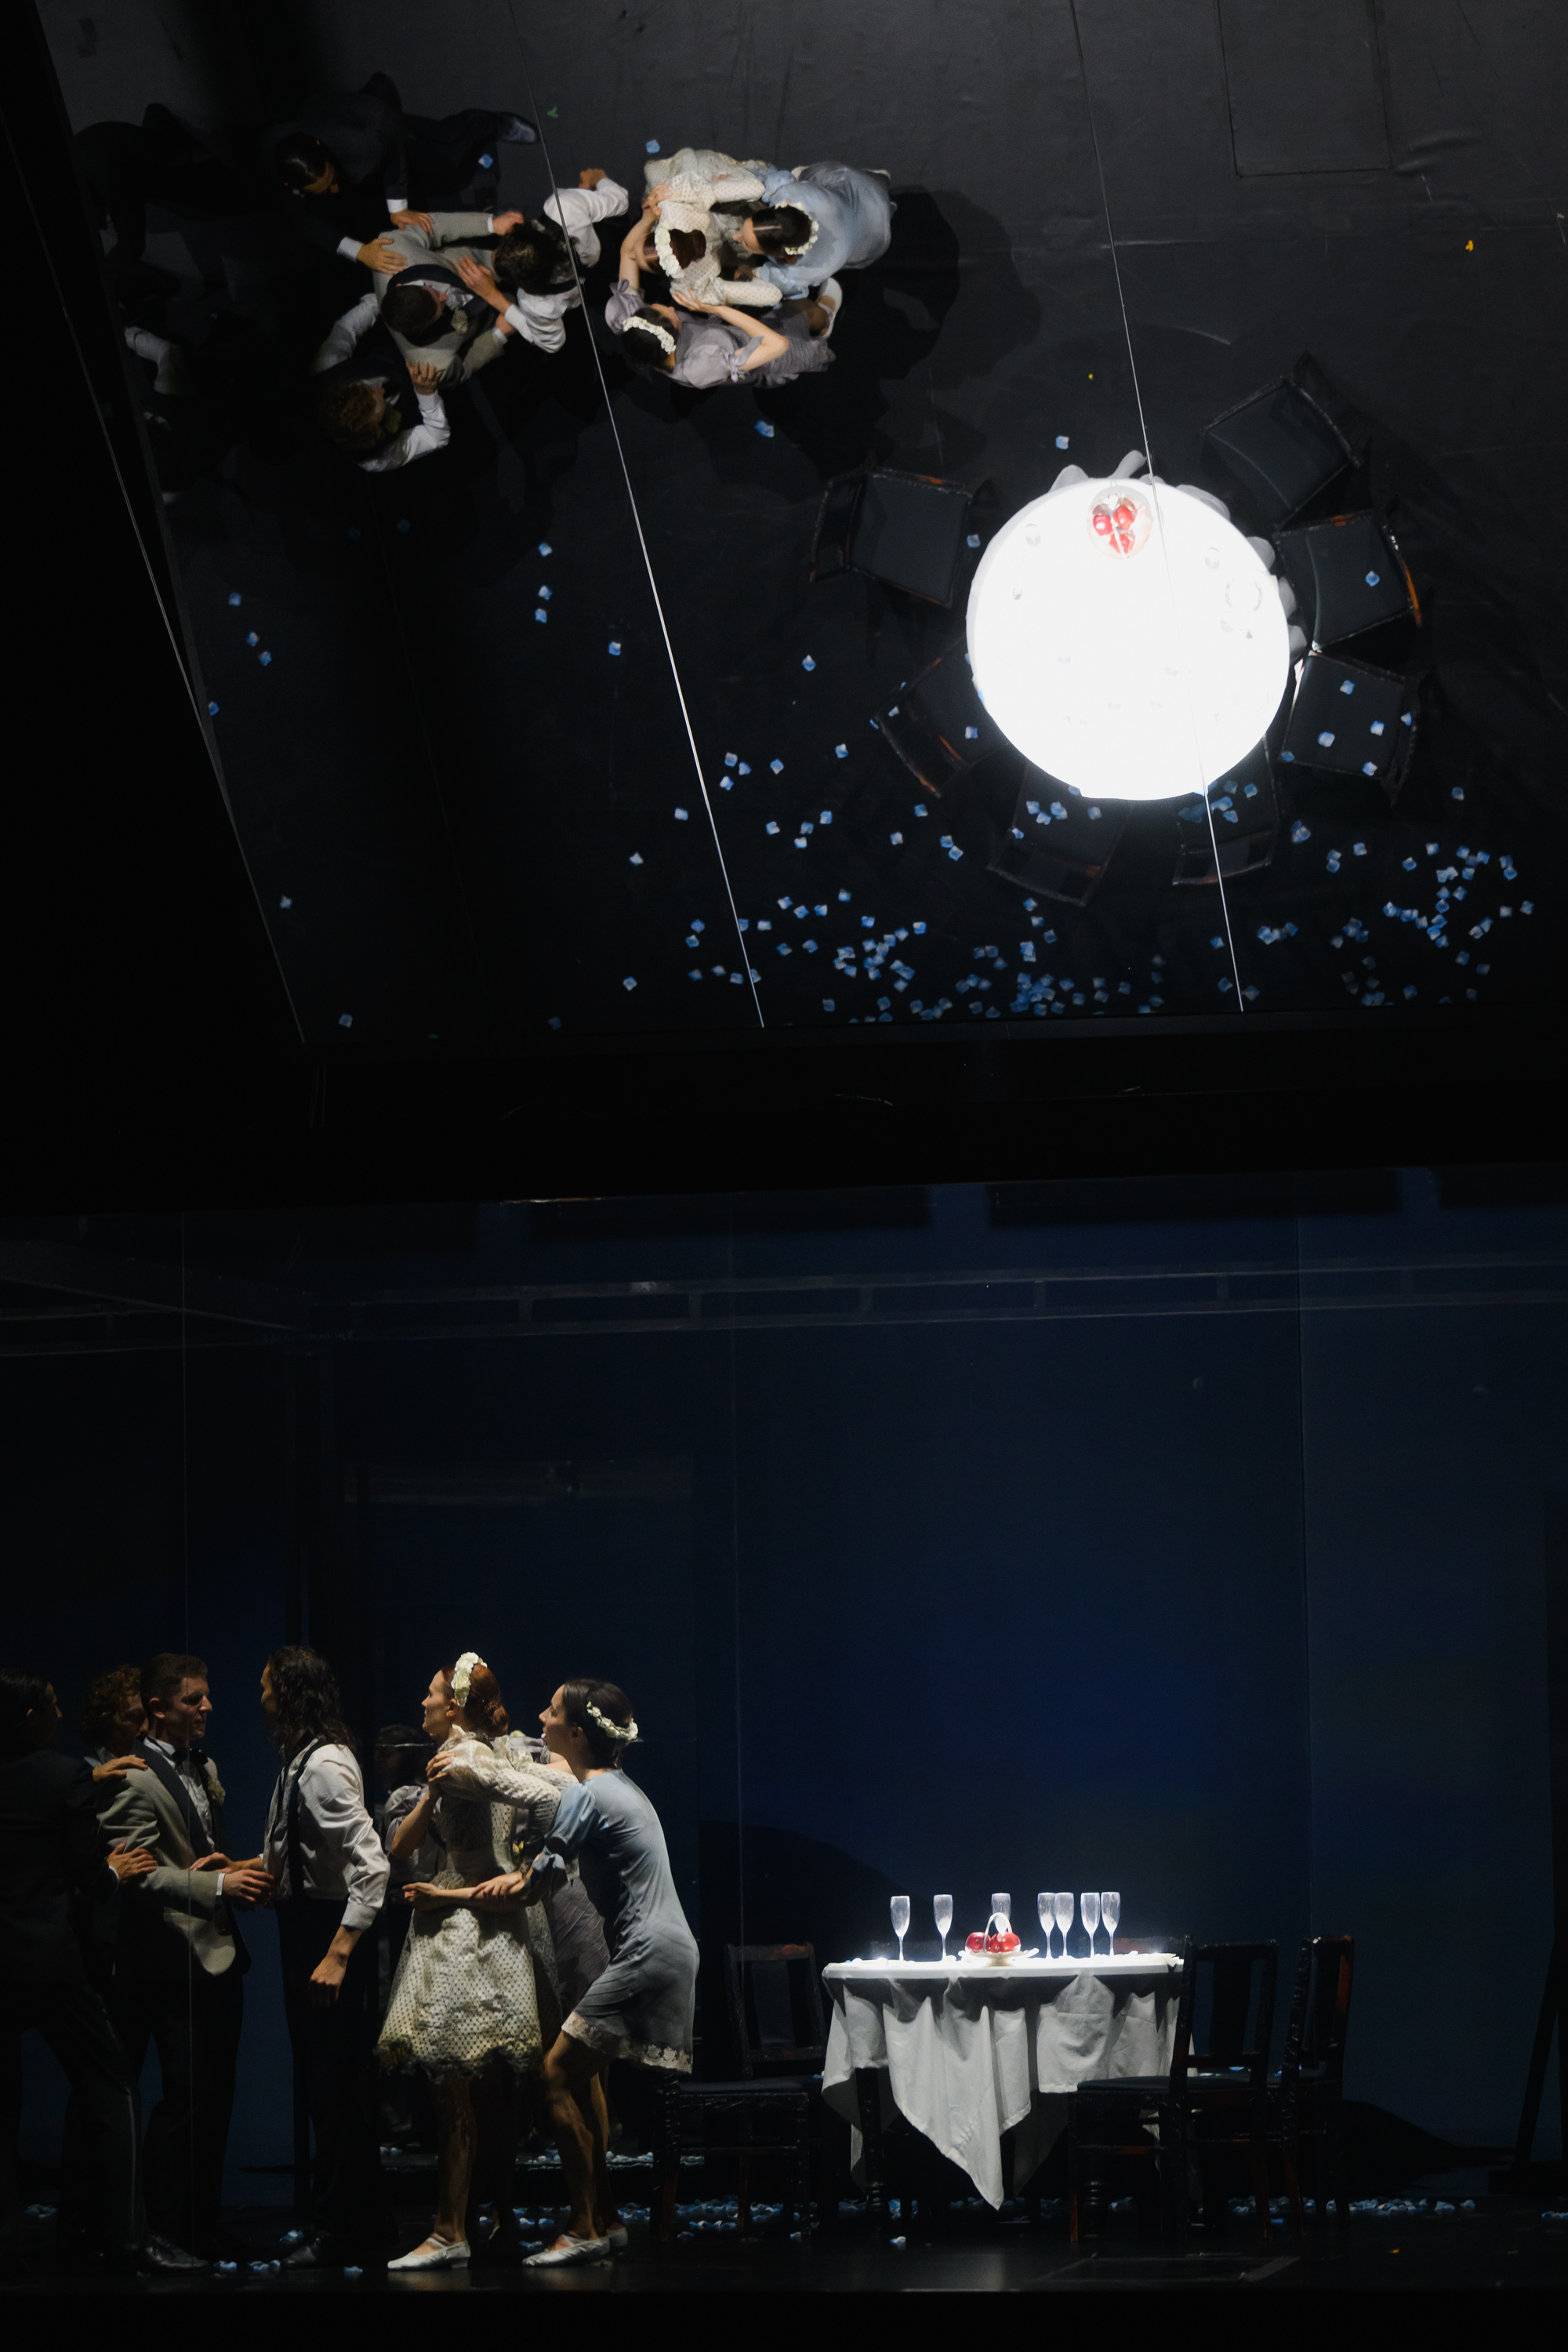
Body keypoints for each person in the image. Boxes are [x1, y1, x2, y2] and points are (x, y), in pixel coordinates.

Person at [473, 1679, 698, 2268]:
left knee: (553, 2073)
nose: (540, 1717)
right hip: (668, 1948)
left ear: (576, 1732)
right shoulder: (623, 1788)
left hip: (649, 1952)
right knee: (575, 2075)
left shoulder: (586, 1794)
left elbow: (537, 1882)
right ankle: (606, 2219)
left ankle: (583, 2227)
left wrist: (458, 1895)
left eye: (551, 1712)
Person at [0, 1668, 201, 2275]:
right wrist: (114, 1868)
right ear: (30, 1717)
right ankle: (128, 2237)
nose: (59, 1716)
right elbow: (91, 1877)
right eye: (50, 1706)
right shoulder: (63, 1775)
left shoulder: (53, 1776)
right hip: (51, 1963)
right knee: (113, 2090)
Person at [378, 1655, 562, 2271]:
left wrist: (539, 1854)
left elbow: (545, 1799)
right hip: (497, 1918)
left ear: (454, 1706)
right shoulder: (490, 1753)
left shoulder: (463, 1760)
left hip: (465, 1922)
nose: (424, 1704)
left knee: (455, 2088)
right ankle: (499, 2220)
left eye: (431, 1695)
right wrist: (431, 1794)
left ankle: (450, 2228)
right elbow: (400, 1845)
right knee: (492, 2093)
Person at [95, 1653, 272, 2261]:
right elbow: (137, 1874)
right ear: (157, 1709)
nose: (207, 1708)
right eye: (193, 1700)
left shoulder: (205, 1765)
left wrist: (229, 1867)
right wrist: (218, 1886)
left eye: (205, 1696)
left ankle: (200, 2226)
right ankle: (165, 2232)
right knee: (187, 2099)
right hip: (171, 1958)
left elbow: (201, 1849)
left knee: (214, 2099)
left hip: (219, 1955)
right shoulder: (133, 1777)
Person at [260, 1646, 390, 2270]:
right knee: (328, 2086)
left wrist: (338, 1953)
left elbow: (372, 1866)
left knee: (334, 2089)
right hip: (303, 1928)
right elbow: (300, 1852)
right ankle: (360, 2221)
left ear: (287, 1693)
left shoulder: (324, 1767)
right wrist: (244, 1869)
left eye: (267, 1687)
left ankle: (342, 2228)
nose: (260, 1698)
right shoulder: (301, 1760)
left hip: (324, 1937)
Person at [270, 73, 537, 276]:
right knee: (383, 210)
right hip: (344, 124)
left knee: (447, 152)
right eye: (325, 189)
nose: (335, 189)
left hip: (376, 124)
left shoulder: (364, 142)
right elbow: (302, 220)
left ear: (322, 148)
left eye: (332, 181)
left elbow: (392, 137)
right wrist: (359, 252)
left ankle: (489, 122)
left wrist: (398, 207)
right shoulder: (272, 181)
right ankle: (376, 91)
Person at [607, 202, 838, 390]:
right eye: (669, 313)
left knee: (791, 308)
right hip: (765, 353)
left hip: (726, 328)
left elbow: (627, 254)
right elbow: (777, 345)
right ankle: (827, 321)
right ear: (673, 334)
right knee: (804, 313)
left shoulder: (631, 322)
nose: (668, 306)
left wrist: (648, 218)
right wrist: (715, 309)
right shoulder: (699, 367)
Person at [646, 151, 893, 303]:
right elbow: (758, 183)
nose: (735, 236)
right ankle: (880, 184)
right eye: (744, 231)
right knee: (865, 185)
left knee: (851, 187)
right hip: (857, 192)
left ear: (780, 255)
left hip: (871, 237)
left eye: (745, 242)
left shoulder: (800, 273)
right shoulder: (791, 193)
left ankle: (880, 187)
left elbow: (760, 279)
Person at [439, 167, 630, 355]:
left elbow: (553, 344)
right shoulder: (562, 208)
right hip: (612, 245)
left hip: (592, 292)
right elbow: (621, 202)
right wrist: (598, 178)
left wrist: (495, 298)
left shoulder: (536, 305)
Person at [310, 299, 449, 470]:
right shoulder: (375, 459)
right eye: (381, 405)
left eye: (369, 389)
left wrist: (389, 301)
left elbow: (349, 326)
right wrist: (426, 393)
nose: (382, 390)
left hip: (401, 339)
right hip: (438, 380)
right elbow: (436, 438)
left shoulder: (327, 369)